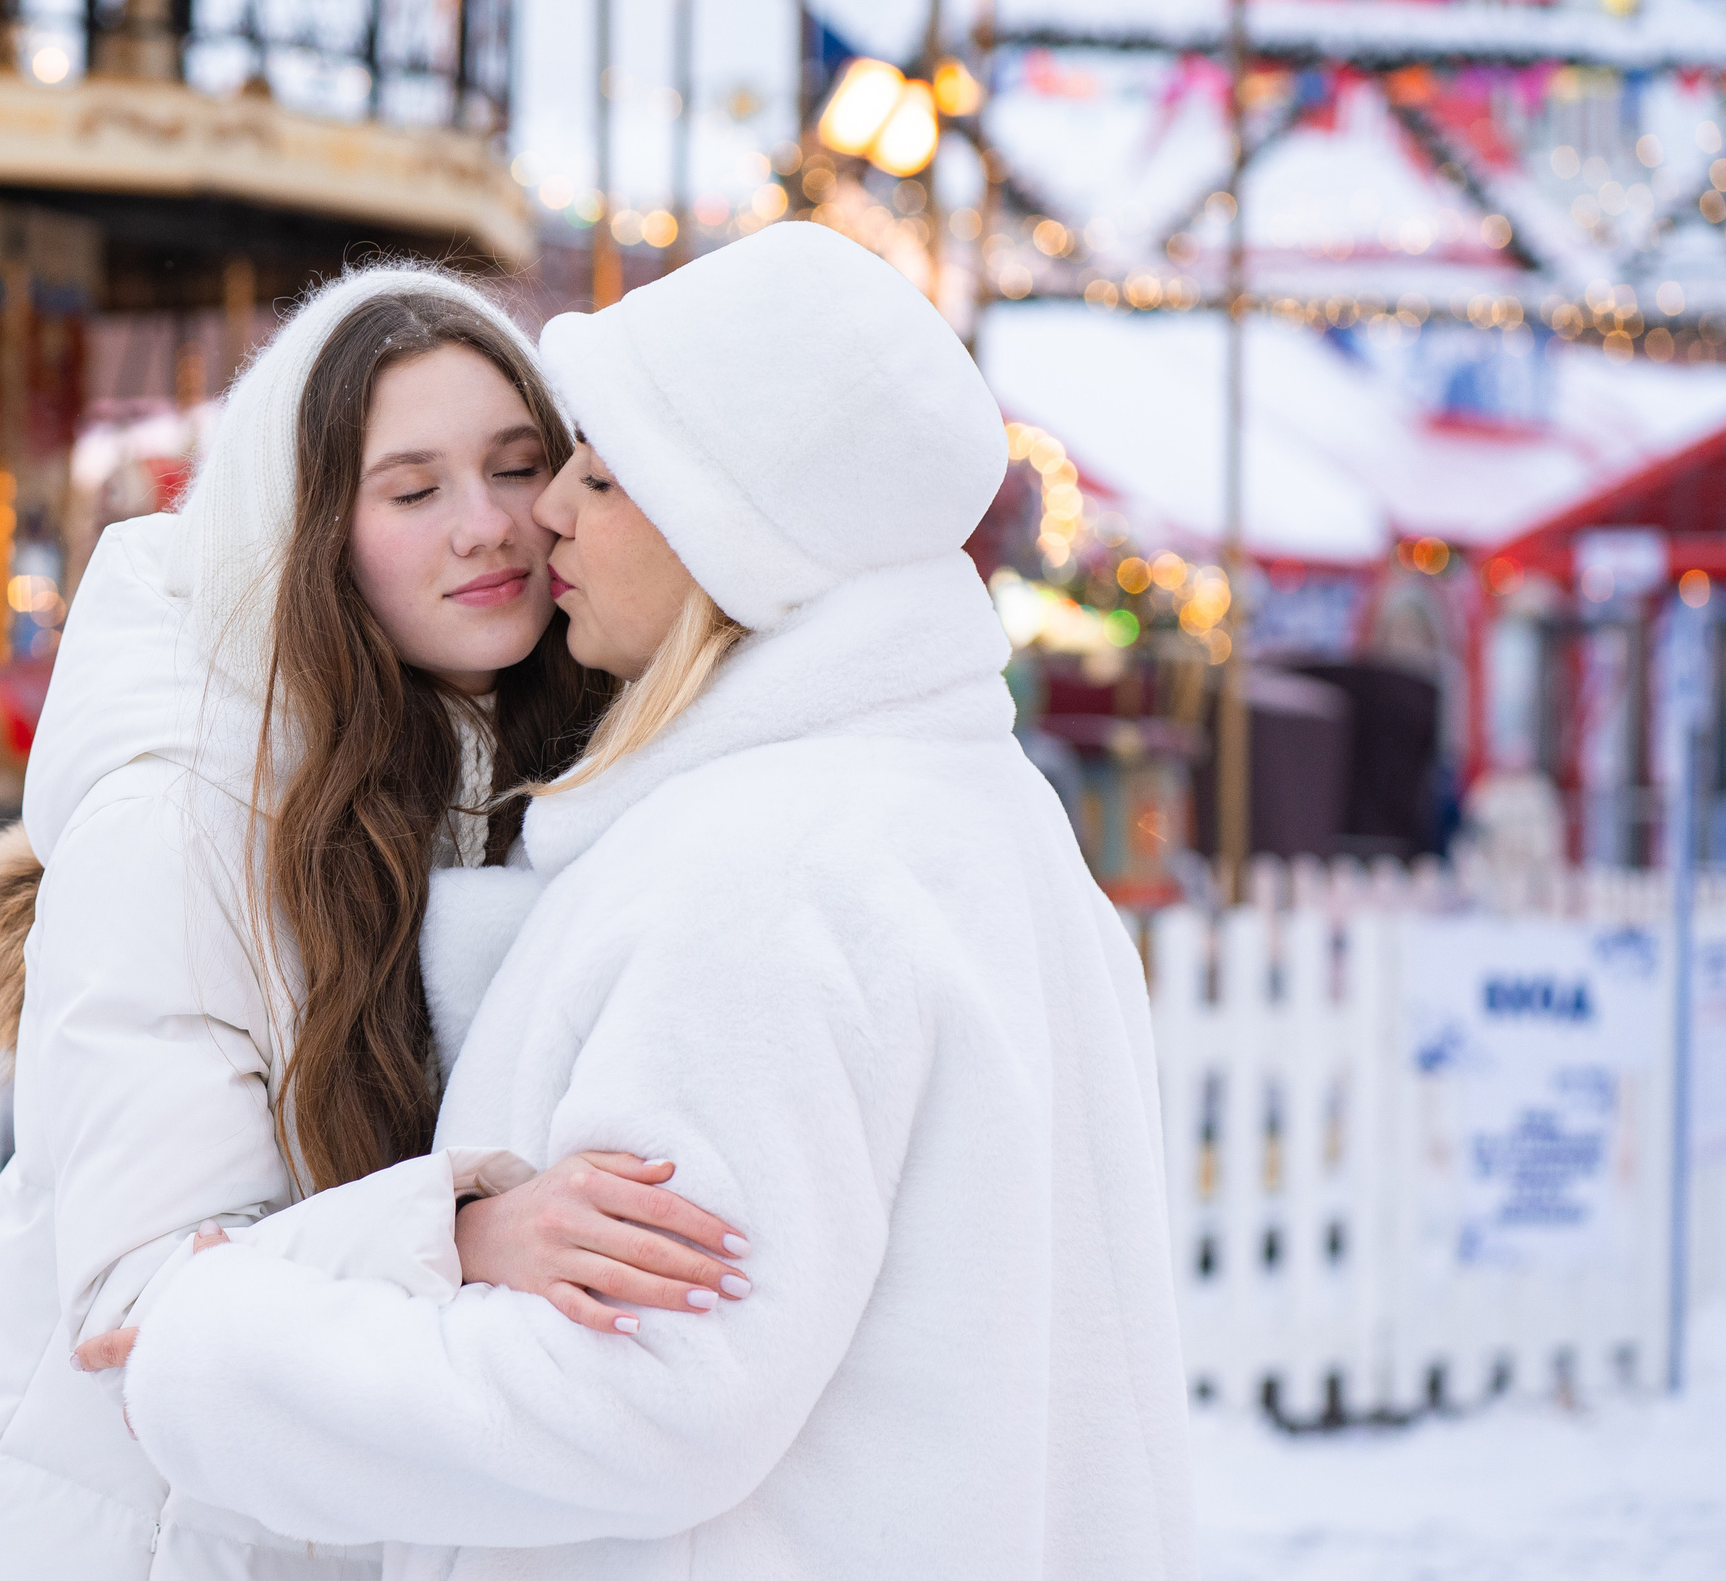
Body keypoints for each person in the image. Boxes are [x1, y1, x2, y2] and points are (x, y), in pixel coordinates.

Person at [100, 223, 1196, 1578]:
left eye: (603, 476)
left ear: (731, 531)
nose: (548, 513)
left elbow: (636, 1394)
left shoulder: (770, 872)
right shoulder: (972, 815)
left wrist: (215, 1356)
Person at [0, 263, 751, 1581]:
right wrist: (462, 1234)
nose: (488, 526)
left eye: (518, 468)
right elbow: (139, 1304)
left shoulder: (545, 780)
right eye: (413, 492)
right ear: (304, 530)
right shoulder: (178, 820)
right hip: (153, 1540)